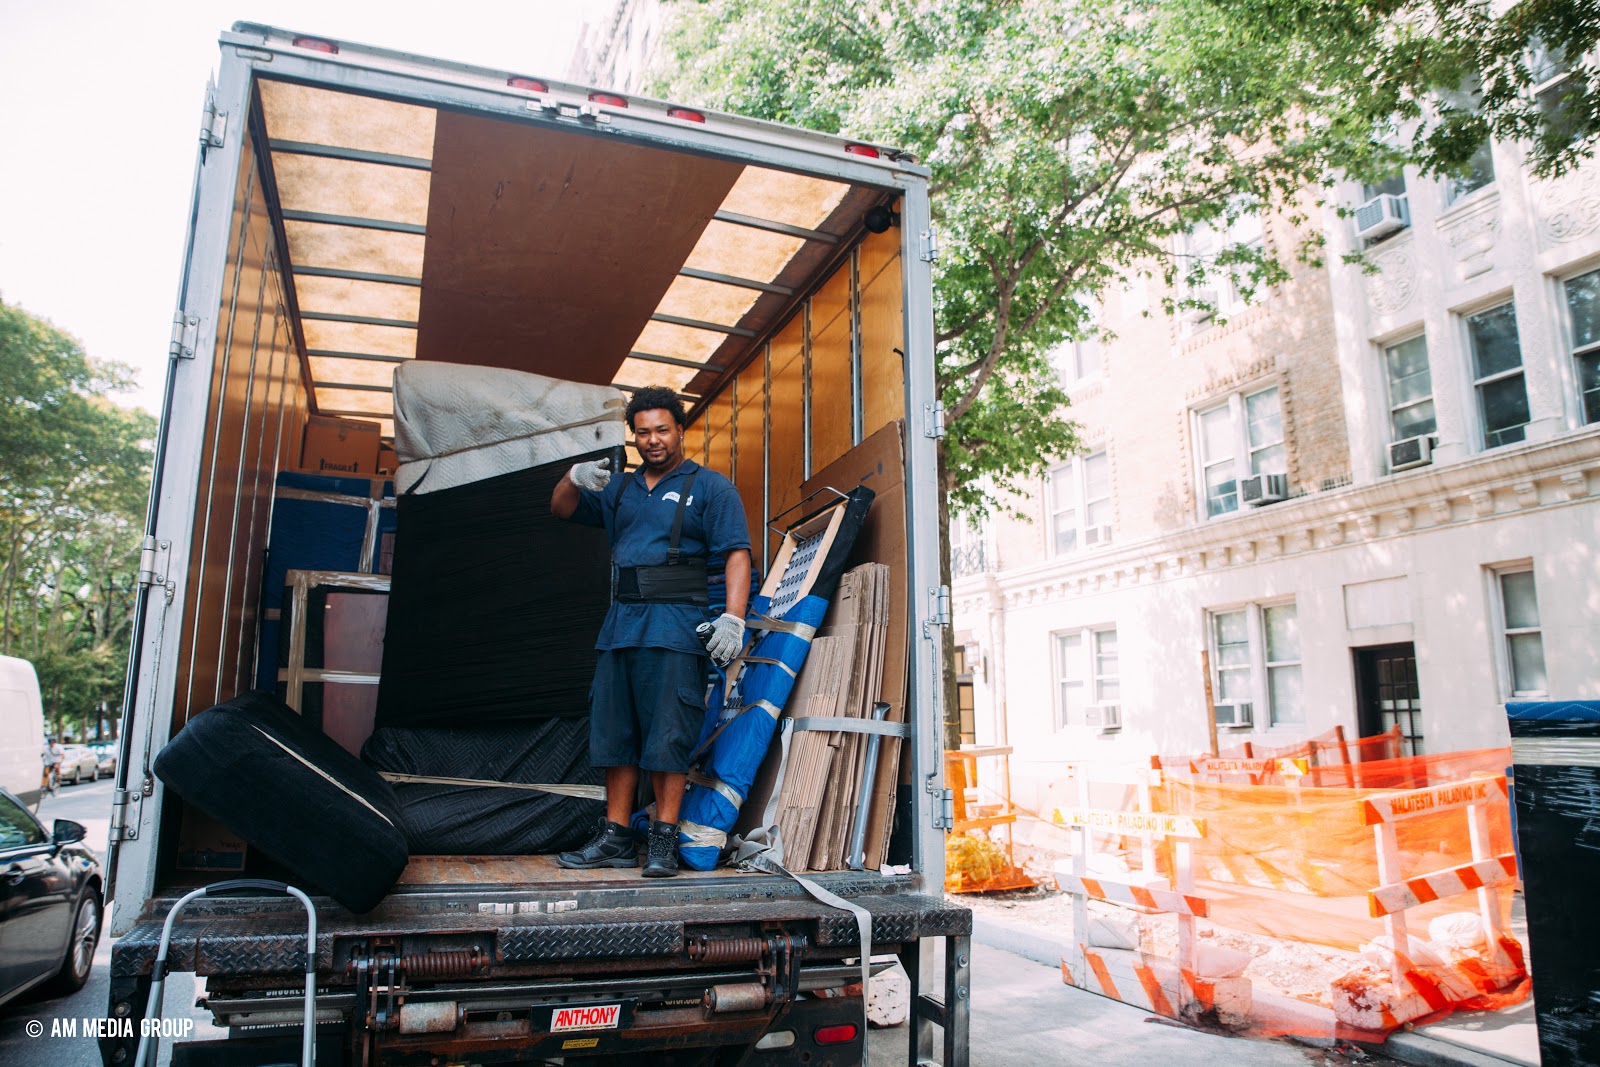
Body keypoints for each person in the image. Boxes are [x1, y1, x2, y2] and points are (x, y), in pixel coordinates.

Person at [551, 385, 751, 877]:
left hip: (676, 627)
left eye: (663, 429)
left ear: (680, 430)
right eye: (643, 432)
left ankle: (663, 840)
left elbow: (737, 555)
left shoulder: (711, 487)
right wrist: (574, 477)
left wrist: (734, 616)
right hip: (620, 628)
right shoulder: (619, 489)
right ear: (633, 436)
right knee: (615, 735)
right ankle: (616, 837)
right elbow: (560, 508)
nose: (653, 440)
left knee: (669, 736)